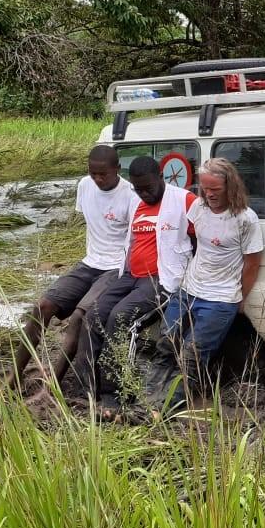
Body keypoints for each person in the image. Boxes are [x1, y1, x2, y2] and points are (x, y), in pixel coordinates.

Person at [74, 155, 196, 408]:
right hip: (131, 275)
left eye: (148, 188)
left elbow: (203, 237)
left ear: (161, 177)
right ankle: (88, 388)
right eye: (138, 189)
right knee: (93, 314)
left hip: (162, 278)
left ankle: (116, 393)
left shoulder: (183, 200)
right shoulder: (137, 204)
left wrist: (191, 275)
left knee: (120, 317)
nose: (144, 194)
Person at [12, 145, 132, 385]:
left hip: (117, 266)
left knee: (79, 316)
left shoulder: (131, 195)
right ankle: (14, 376)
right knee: (43, 306)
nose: (98, 179)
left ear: (117, 169)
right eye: (93, 173)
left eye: (103, 174)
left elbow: (134, 243)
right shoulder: (84, 185)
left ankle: (54, 383)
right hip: (90, 262)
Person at [154, 158, 264, 396]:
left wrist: (241, 299)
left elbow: (253, 263)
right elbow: (192, 238)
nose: (209, 194)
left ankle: (166, 408)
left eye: (216, 189)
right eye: (205, 189)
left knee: (192, 353)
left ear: (230, 187)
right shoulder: (199, 207)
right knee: (165, 343)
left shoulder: (245, 219)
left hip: (221, 297)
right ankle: (148, 397)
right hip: (189, 289)